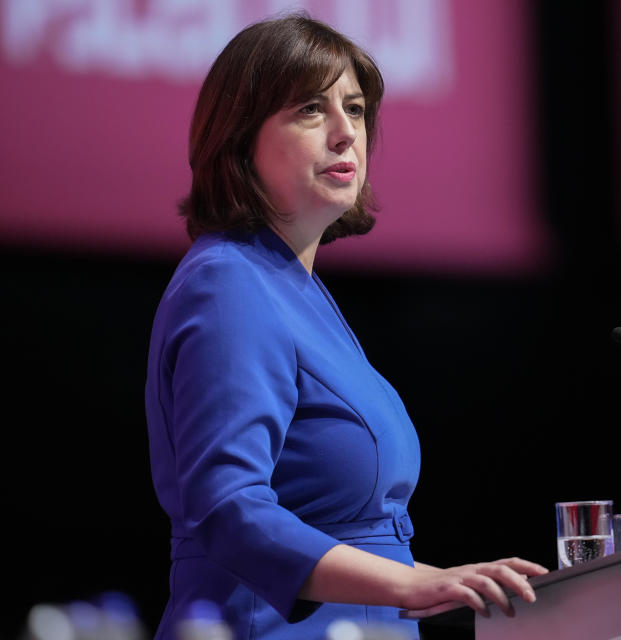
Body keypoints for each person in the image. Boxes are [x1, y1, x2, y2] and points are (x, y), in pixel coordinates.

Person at [144, 12, 548, 640]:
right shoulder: (228, 284)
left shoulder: (292, 289)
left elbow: (355, 538)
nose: (345, 135)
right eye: (311, 109)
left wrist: (460, 579)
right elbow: (228, 509)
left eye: (355, 110)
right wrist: (412, 583)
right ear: (239, 136)